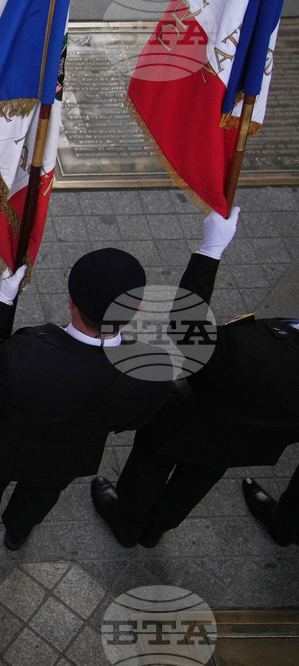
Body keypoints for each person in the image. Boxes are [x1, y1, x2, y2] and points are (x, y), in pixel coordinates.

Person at [0, 248, 171, 552]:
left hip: (2, 446)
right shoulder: (150, 369)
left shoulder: (26, 352)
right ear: (136, 308)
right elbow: (134, 420)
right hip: (69, 457)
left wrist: (2, 300)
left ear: (71, 301)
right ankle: (17, 534)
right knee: (41, 495)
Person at [91, 207, 299, 547]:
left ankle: (128, 523)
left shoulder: (256, 353)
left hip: (188, 418)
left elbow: (187, 332)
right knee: (198, 479)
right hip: (247, 442)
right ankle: (157, 528)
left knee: (151, 463)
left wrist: (210, 250)